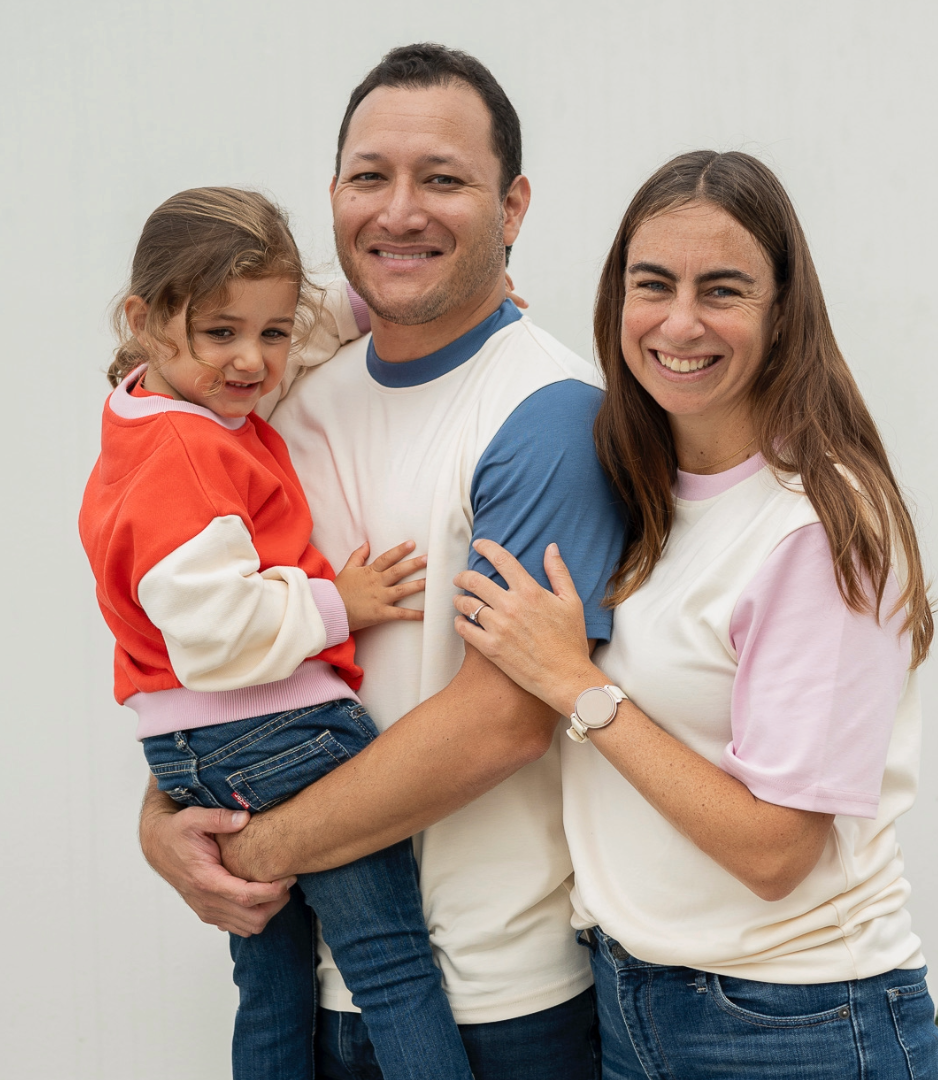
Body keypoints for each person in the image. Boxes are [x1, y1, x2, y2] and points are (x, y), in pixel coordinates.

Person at [138, 45, 625, 1080]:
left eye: (443, 178)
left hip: (493, 1005)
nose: (399, 211)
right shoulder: (281, 394)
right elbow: (213, 638)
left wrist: (254, 848)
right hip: (295, 987)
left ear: (514, 206)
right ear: (333, 196)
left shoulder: (546, 414)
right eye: (371, 177)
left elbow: (503, 721)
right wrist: (163, 824)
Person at [450, 150, 938, 1079]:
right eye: (654, 285)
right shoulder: (645, 488)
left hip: (793, 1020)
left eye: (722, 290)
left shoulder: (819, 525)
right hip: (634, 998)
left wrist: (577, 686)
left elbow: (775, 851)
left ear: (782, 311)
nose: (680, 323)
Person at [79, 186, 478, 1080]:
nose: (256, 363)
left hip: (188, 750)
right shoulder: (191, 454)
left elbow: (296, 334)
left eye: (271, 331)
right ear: (146, 320)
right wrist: (338, 601)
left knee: (271, 985)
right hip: (279, 728)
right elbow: (216, 632)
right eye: (223, 333)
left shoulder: (152, 411)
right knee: (392, 965)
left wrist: (371, 301)